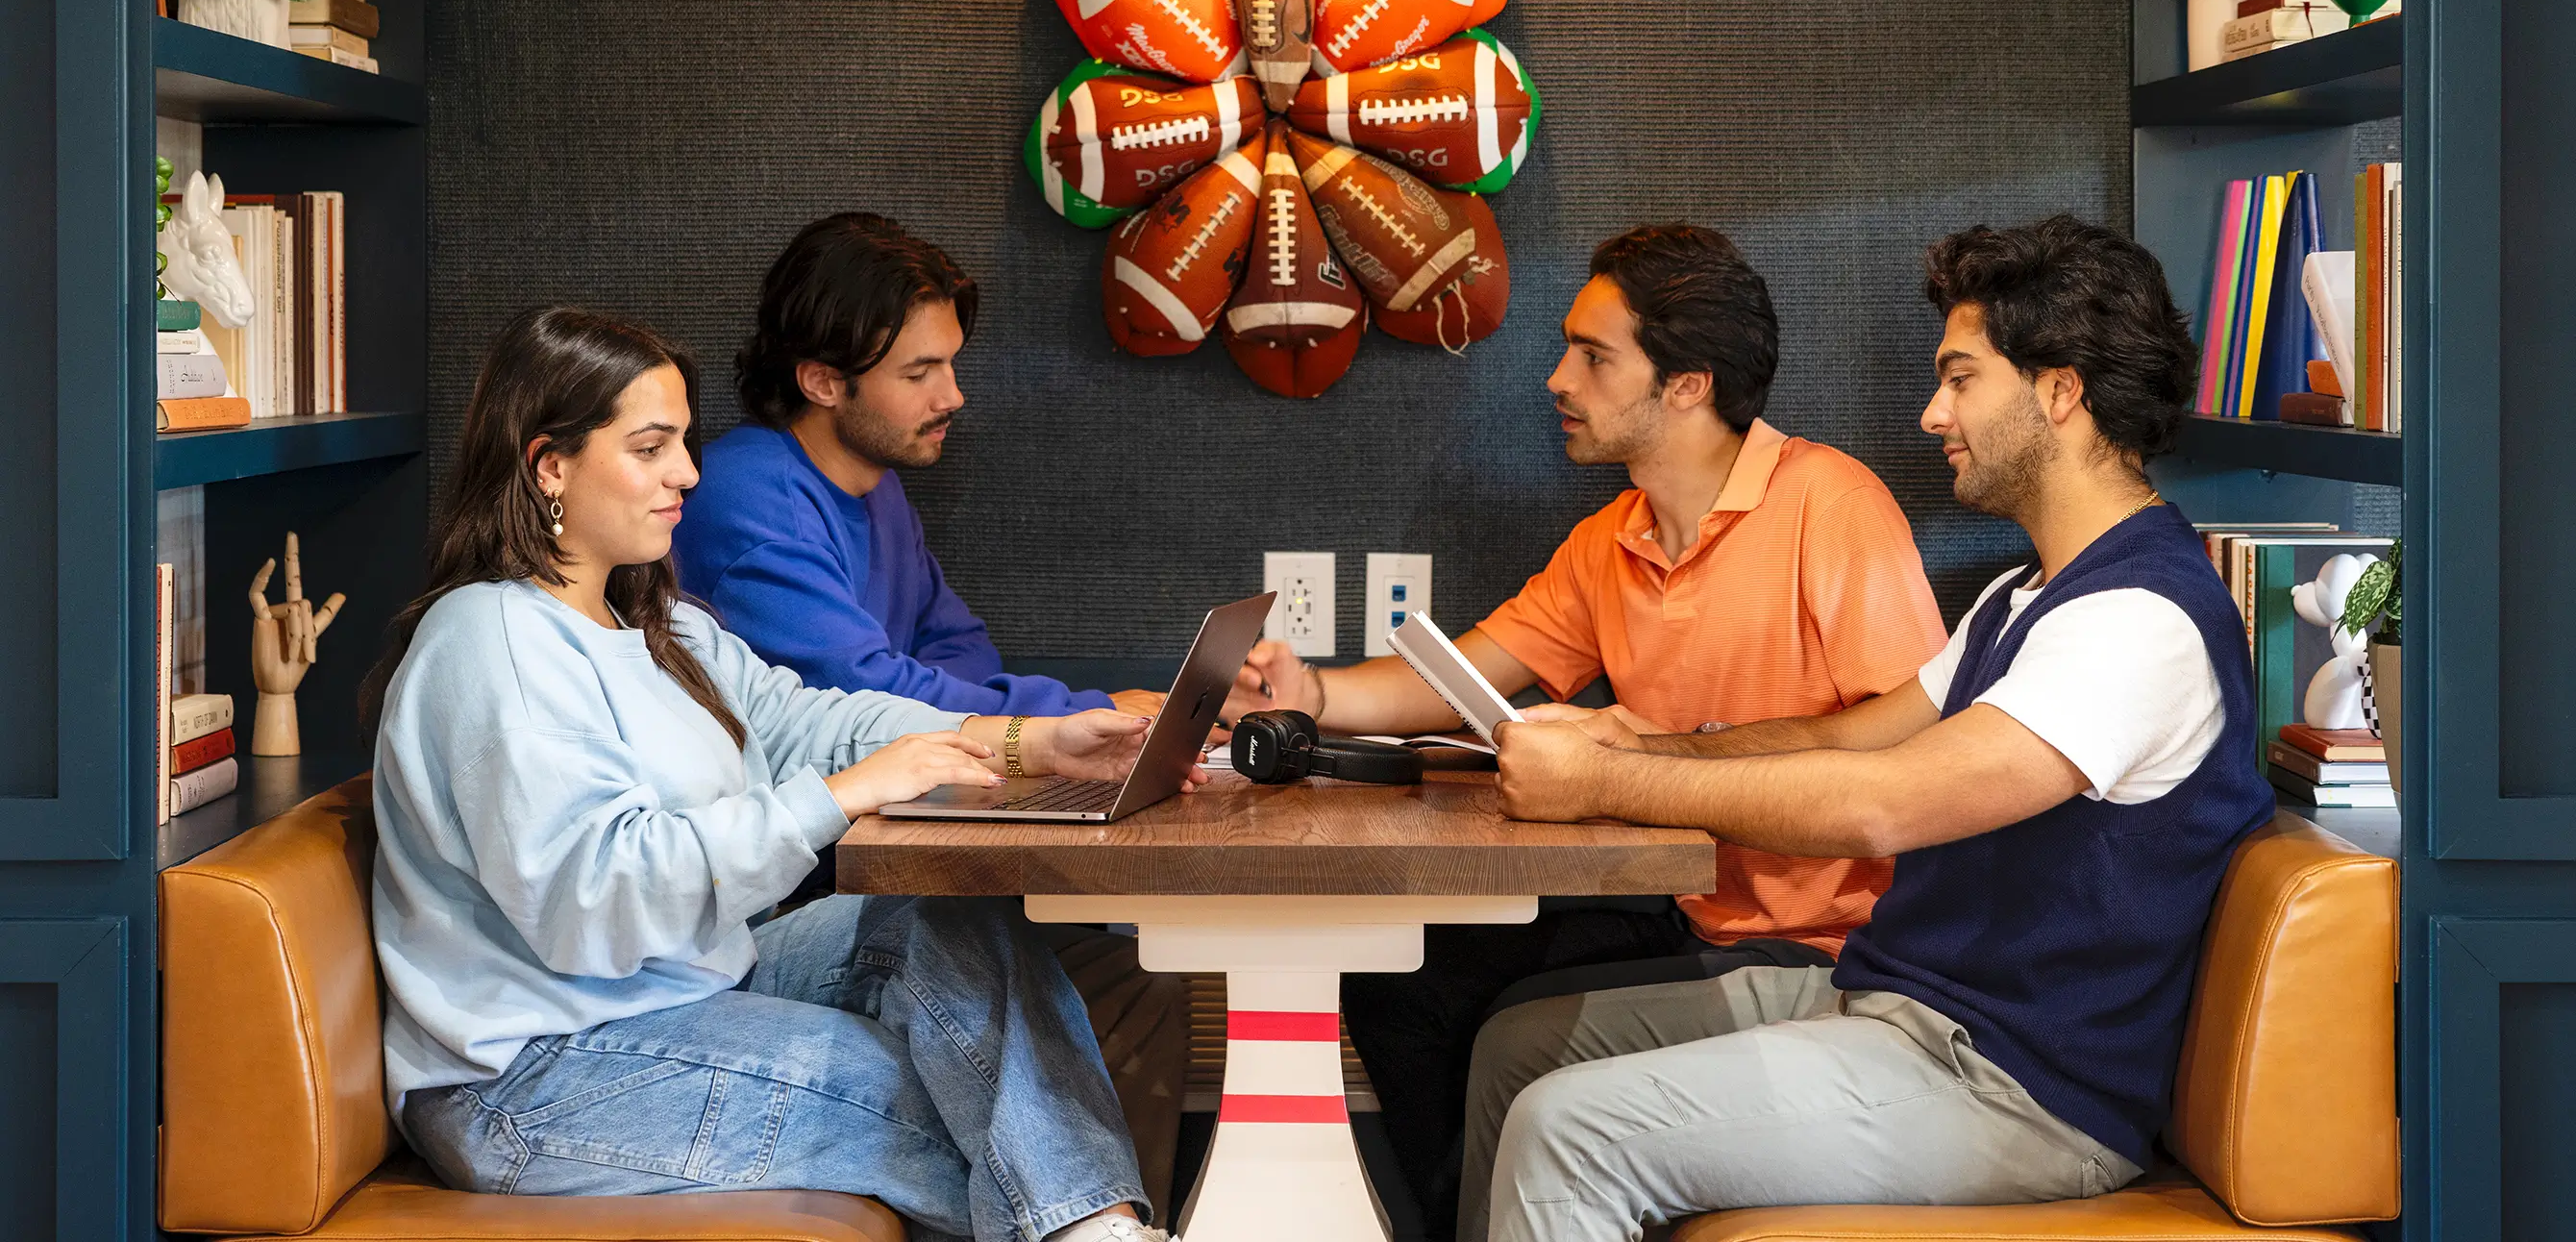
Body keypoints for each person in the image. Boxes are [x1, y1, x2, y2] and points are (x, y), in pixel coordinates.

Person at [1461, 214, 2277, 1242]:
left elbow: (1877, 804)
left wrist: (1601, 785)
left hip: (2017, 1086)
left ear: (2058, 391)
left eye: (1961, 378)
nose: (1933, 410)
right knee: (1517, 1049)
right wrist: (1635, 748)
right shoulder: (2026, 596)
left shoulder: (2136, 622)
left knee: (1565, 1128)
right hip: (1900, 1009)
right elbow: (1850, 739)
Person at [369, 306, 1174, 1242]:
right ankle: (1095, 1228)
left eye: (685, 441)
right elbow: (591, 901)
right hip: (533, 1076)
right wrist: (836, 799)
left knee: (946, 912)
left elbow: (808, 721)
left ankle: (1094, 1226)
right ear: (551, 465)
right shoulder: (492, 640)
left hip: (685, 988)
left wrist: (1022, 742)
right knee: (973, 1108)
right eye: (651, 446)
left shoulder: (656, 621)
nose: (688, 474)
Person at [1226, 224, 1948, 1232]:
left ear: (1688, 383)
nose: (1558, 378)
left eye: (1593, 355)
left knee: (1482, 1023)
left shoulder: (1831, 505)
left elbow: (1912, 736)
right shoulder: (1611, 536)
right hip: (1675, 902)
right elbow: (1467, 672)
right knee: (1406, 985)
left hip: (1818, 936)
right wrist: (1315, 692)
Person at [674, 211, 1153, 718]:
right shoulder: (748, 503)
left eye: (951, 364)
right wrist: (1073, 715)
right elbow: (864, 696)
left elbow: (959, 646)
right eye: (919, 374)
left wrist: (928, 695)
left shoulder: (877, 482)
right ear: (823, 382)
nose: (954, 396)